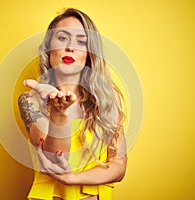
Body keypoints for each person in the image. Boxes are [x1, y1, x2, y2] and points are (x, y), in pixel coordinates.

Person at [18, 8, 127, 200]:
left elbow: (118, 166)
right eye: (62, 38)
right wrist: (58, 113)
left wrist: (72, 178)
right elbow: (55, 159)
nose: (70, 47)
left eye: (81, 41)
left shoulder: (108, 98)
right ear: (48, 47)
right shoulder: (30, 101)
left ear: (89, 53)